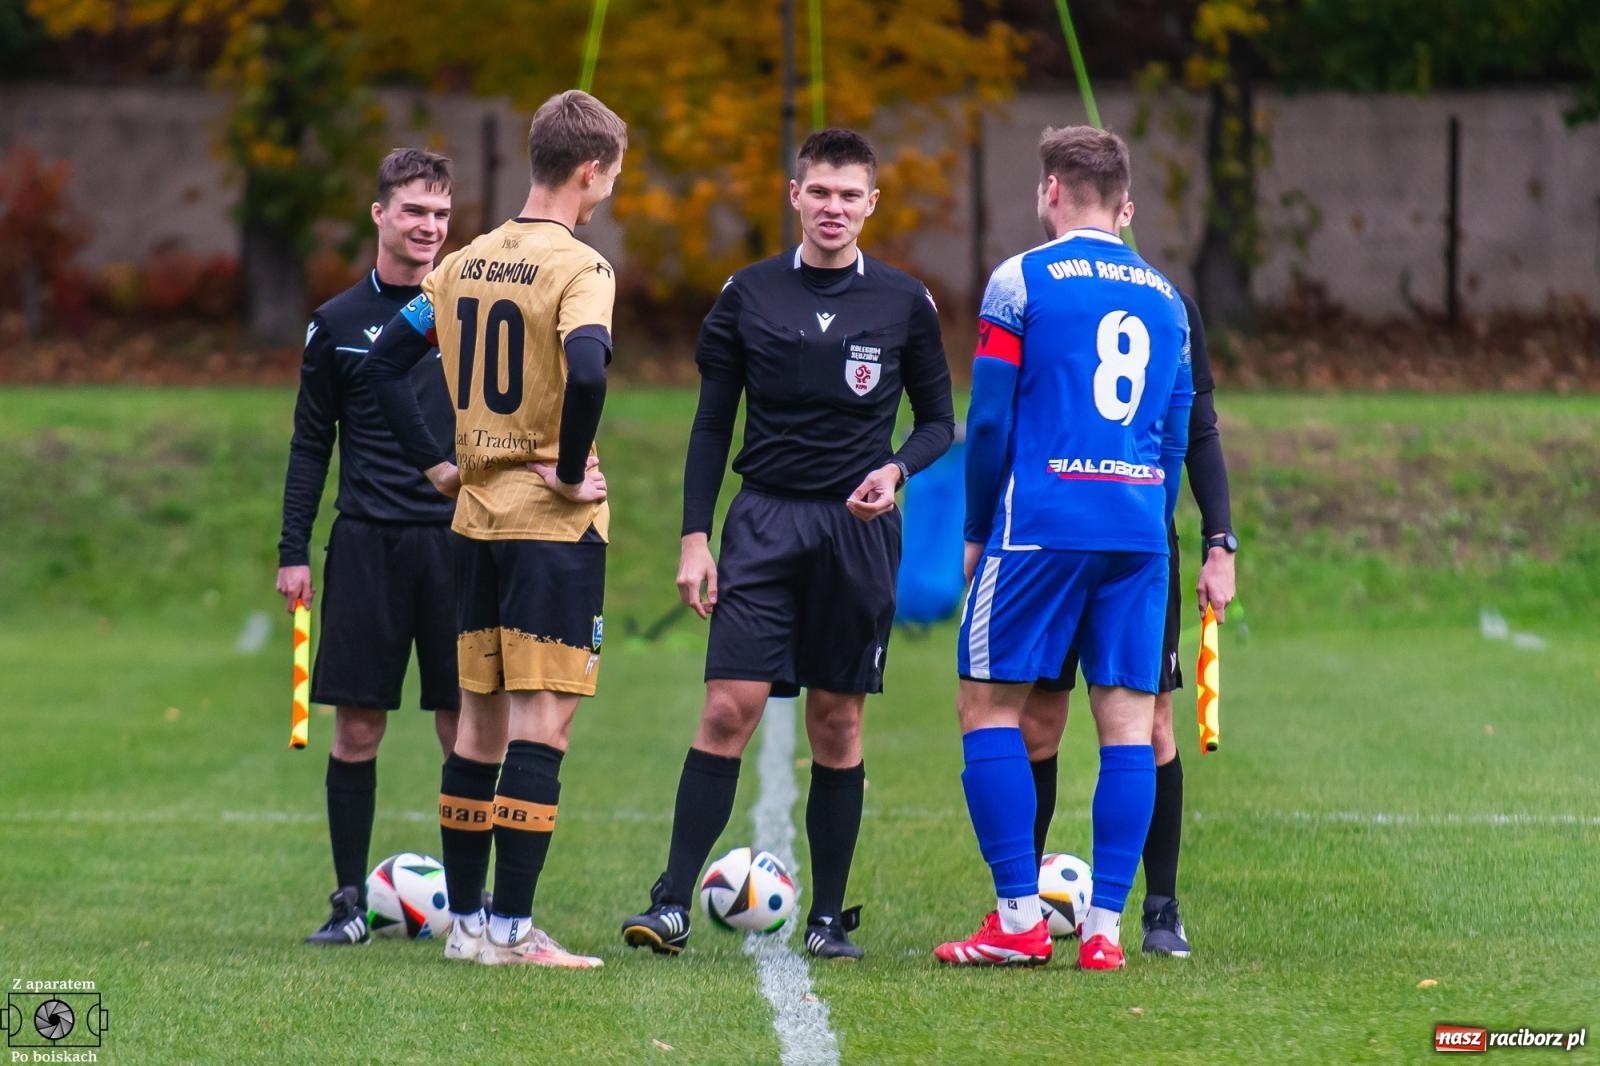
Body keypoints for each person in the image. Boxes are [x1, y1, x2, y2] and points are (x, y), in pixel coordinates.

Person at [620, 128, 955, 961]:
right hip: (764, 524)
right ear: (794, 195)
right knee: (728, 705)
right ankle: (670, 904)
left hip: (857, 530)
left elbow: (941, 421)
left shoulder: (907, 302)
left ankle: (828, 917)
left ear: (872, 204)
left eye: (851, 194)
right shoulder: (747, 294)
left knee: (837, 721)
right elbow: (709, 422)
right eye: (821, 192)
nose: (834, 207)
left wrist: (897, 469)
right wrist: (695, 537)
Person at [364, 89, 626, 969]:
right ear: (589, 171)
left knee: (478, 727)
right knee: (541, 727)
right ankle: (513, 930)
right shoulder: (582, 269)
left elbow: (384, 364)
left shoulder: (463, 262)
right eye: (612, 178)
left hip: (472, 520)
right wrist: (566, 463)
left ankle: (470, 927)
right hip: (549, 531)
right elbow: (586, 370)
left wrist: (440, 463)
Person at [934, 125, 1192, 971]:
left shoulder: (1021, 280)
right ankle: (1106, 931)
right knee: (1127, 725)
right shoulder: (1166, 297)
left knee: (988, 706)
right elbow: (1176, 433)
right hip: (1138, 529)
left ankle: (1015, 918)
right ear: (1124, 202)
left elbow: (990, 422)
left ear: (1050, 190)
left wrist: (976, 530)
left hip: (1043, 521)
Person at [277, 147, 459, 946]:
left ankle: (477, 907)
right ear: (380, 214)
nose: (429, 227)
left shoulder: (473, 308)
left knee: (466, 729)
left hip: (460, 547)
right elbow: (311, 443)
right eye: (415, 211)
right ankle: (349, 902)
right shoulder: (337, 323)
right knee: (358, 729)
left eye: (442, 214)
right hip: (367, 548)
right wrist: (294, 549)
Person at [1024, 286, 1236, 959]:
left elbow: (1198, 428)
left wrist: (1218, 543)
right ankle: (1021, 908)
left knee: (1151, 725)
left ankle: (1159, 907)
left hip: (1141, 544)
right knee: (1037, 721)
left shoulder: (1172, 305)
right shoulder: (1044, 294)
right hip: (1052, 537)